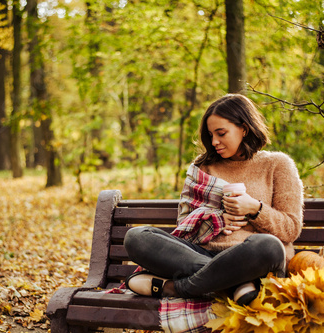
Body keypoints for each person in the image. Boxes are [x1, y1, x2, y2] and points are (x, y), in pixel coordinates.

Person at [123, 93, 303, 305]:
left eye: (221, 133)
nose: (215, 141)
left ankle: (177, 288)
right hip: (202, 255)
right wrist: (215, 221)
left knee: (269, 247)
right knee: (137, 237)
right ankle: (235, 284)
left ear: (244, 129)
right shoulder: (203, 168)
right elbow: (185, 225)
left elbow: (291, 228)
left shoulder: (278, 165)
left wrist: (254, 209)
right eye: (210, 135)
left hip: (252, 260)